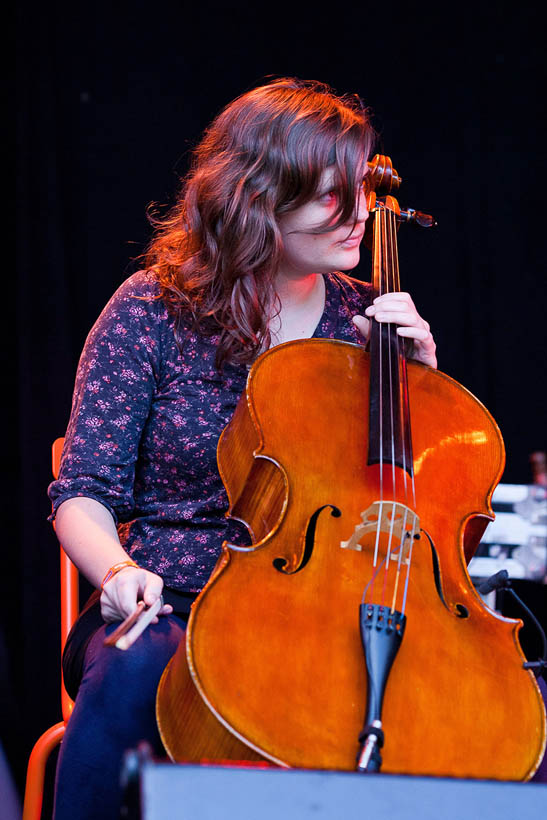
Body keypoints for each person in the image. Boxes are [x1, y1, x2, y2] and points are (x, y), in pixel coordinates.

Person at [47, 77, 437, 819]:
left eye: (360, 189)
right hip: (180, 600)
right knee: (135, 671)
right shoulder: (151, 309)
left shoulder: (368, 323)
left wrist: (420, 385)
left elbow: (412, 500)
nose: (361, 213)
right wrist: (121, 572)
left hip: (336, 607)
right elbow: (83, 491)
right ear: (258, 199)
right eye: (330, 197)